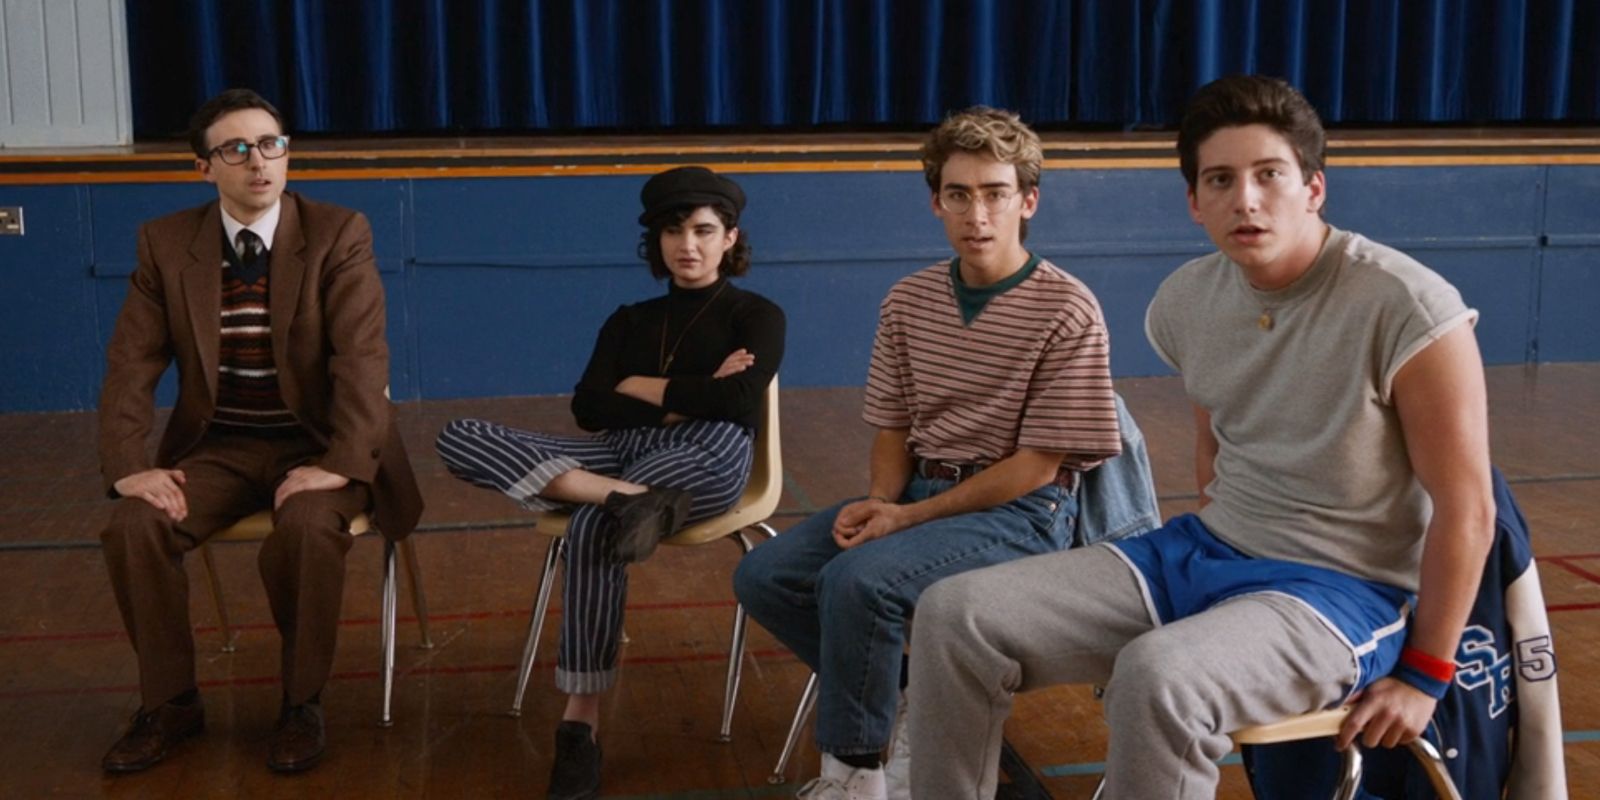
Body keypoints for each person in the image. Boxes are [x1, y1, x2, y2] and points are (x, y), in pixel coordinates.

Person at [905, 74, 1496, 798]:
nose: (1245, 199)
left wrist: (1426, 676)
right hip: (1208, 550)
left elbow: (1469, 509)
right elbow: (1215, 436)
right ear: (1194, 201)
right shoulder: (1187, 300)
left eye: (1269, 175)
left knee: (1160, 676)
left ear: (1314, 188)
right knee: (954, 614)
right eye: (1220, 179)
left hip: (1342, 591)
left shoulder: (1409, 306)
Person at [733, 107, 1122, 800]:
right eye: (960, 194)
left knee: (860, 582)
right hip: (918, 496)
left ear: (1027, 201)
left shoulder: (1068, 308)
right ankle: (923, 697)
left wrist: (905, 523)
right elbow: (892, 429)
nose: (978, 213)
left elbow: (1037, 466)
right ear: (936, 202)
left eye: (996, 193)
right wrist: (883, 504)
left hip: (1023, 513)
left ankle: (855, 777)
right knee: (764, 575)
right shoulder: (909, 300)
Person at [98, 88, 423, 774]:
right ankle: (172, 701)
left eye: (271, 144)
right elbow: (132, 363)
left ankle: (301, 702)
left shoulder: (338, 232)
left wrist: (339, 462)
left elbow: (363, 359)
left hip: (318, 444)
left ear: (287, 153)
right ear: (203, 167)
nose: (258, 162)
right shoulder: (166, 243)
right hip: (218, 447)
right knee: (133, 526)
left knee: (306, 529)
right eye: (236, 149)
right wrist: (128, 463)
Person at [434, 165, 784, 800]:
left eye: (705, 230)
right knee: (458, 435)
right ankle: (627, 500)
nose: (689, 245)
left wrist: (644, 389)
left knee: (595, 523)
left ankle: (579, 726)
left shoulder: (756, 315)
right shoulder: (629, 319)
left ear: (730, 238)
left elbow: (735, 399)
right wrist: (690, 394)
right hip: (615, 457)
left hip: (708, 453)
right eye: (674, 231)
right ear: (655, 242)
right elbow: (589, 410)